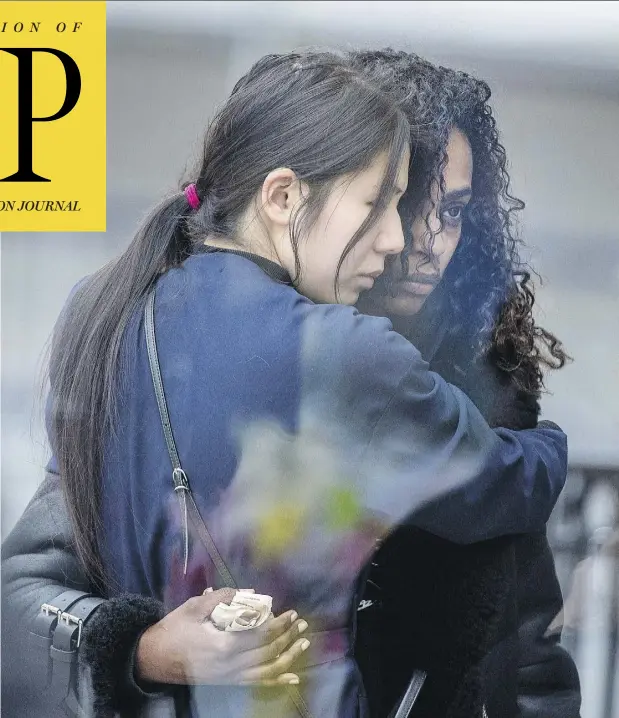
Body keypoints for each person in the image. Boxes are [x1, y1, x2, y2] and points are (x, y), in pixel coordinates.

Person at [3, 49, 568, 718]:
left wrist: (149, 648)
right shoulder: (348, 352)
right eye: (388, 202)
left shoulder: (106, 307)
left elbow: (529, 663)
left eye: (448, 213)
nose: (406, 240)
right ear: (283, 196)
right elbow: (30, 587)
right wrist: (550, 443)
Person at [349, 49, 581, 718]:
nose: (428, 240)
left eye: (450, 212)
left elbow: (527, 639)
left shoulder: (486, 379)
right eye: (404, 205)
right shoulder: (270, 355)